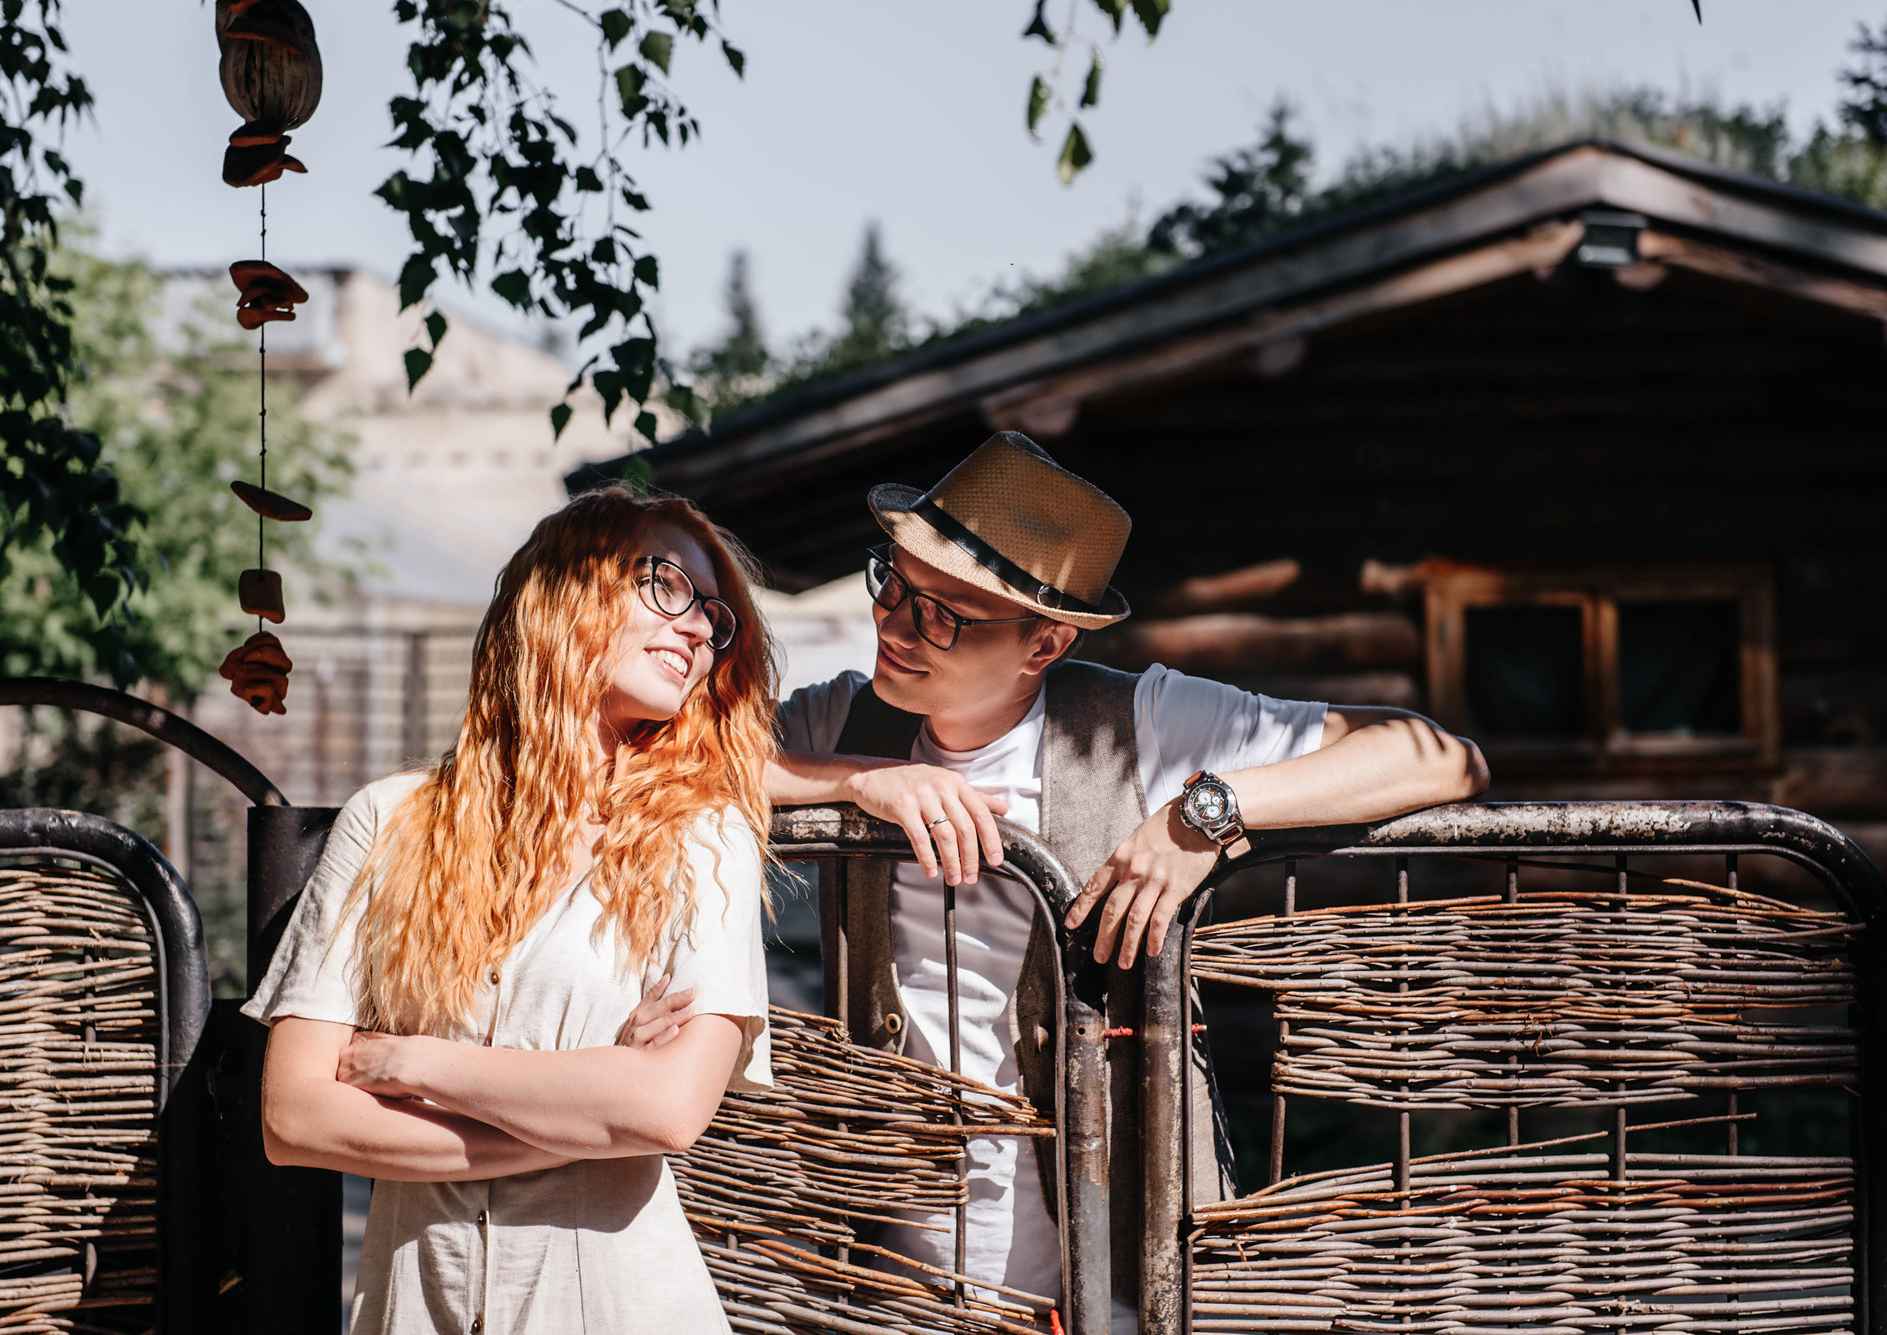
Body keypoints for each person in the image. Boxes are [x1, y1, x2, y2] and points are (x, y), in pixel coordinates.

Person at [638, 431, 1490, 1319]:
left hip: (1118, 1261)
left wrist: (1210, 813)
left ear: (1043, 643)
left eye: (943, 614)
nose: (893, 620)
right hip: (893, 1263)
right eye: (890, 581)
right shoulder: (845, 718)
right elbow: (664, 760)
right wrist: (855, 777)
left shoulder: (1140, 719)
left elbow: (1439, 758)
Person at [243, 485, 778, 1335]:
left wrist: (411, 1064)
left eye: (716, 617)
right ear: (565, 589)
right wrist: (583, 1112)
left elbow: (667, 1108)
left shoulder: (704, 837)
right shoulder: (388, 819)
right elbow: (294, 1115)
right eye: (669, 586)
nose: (699, 629)